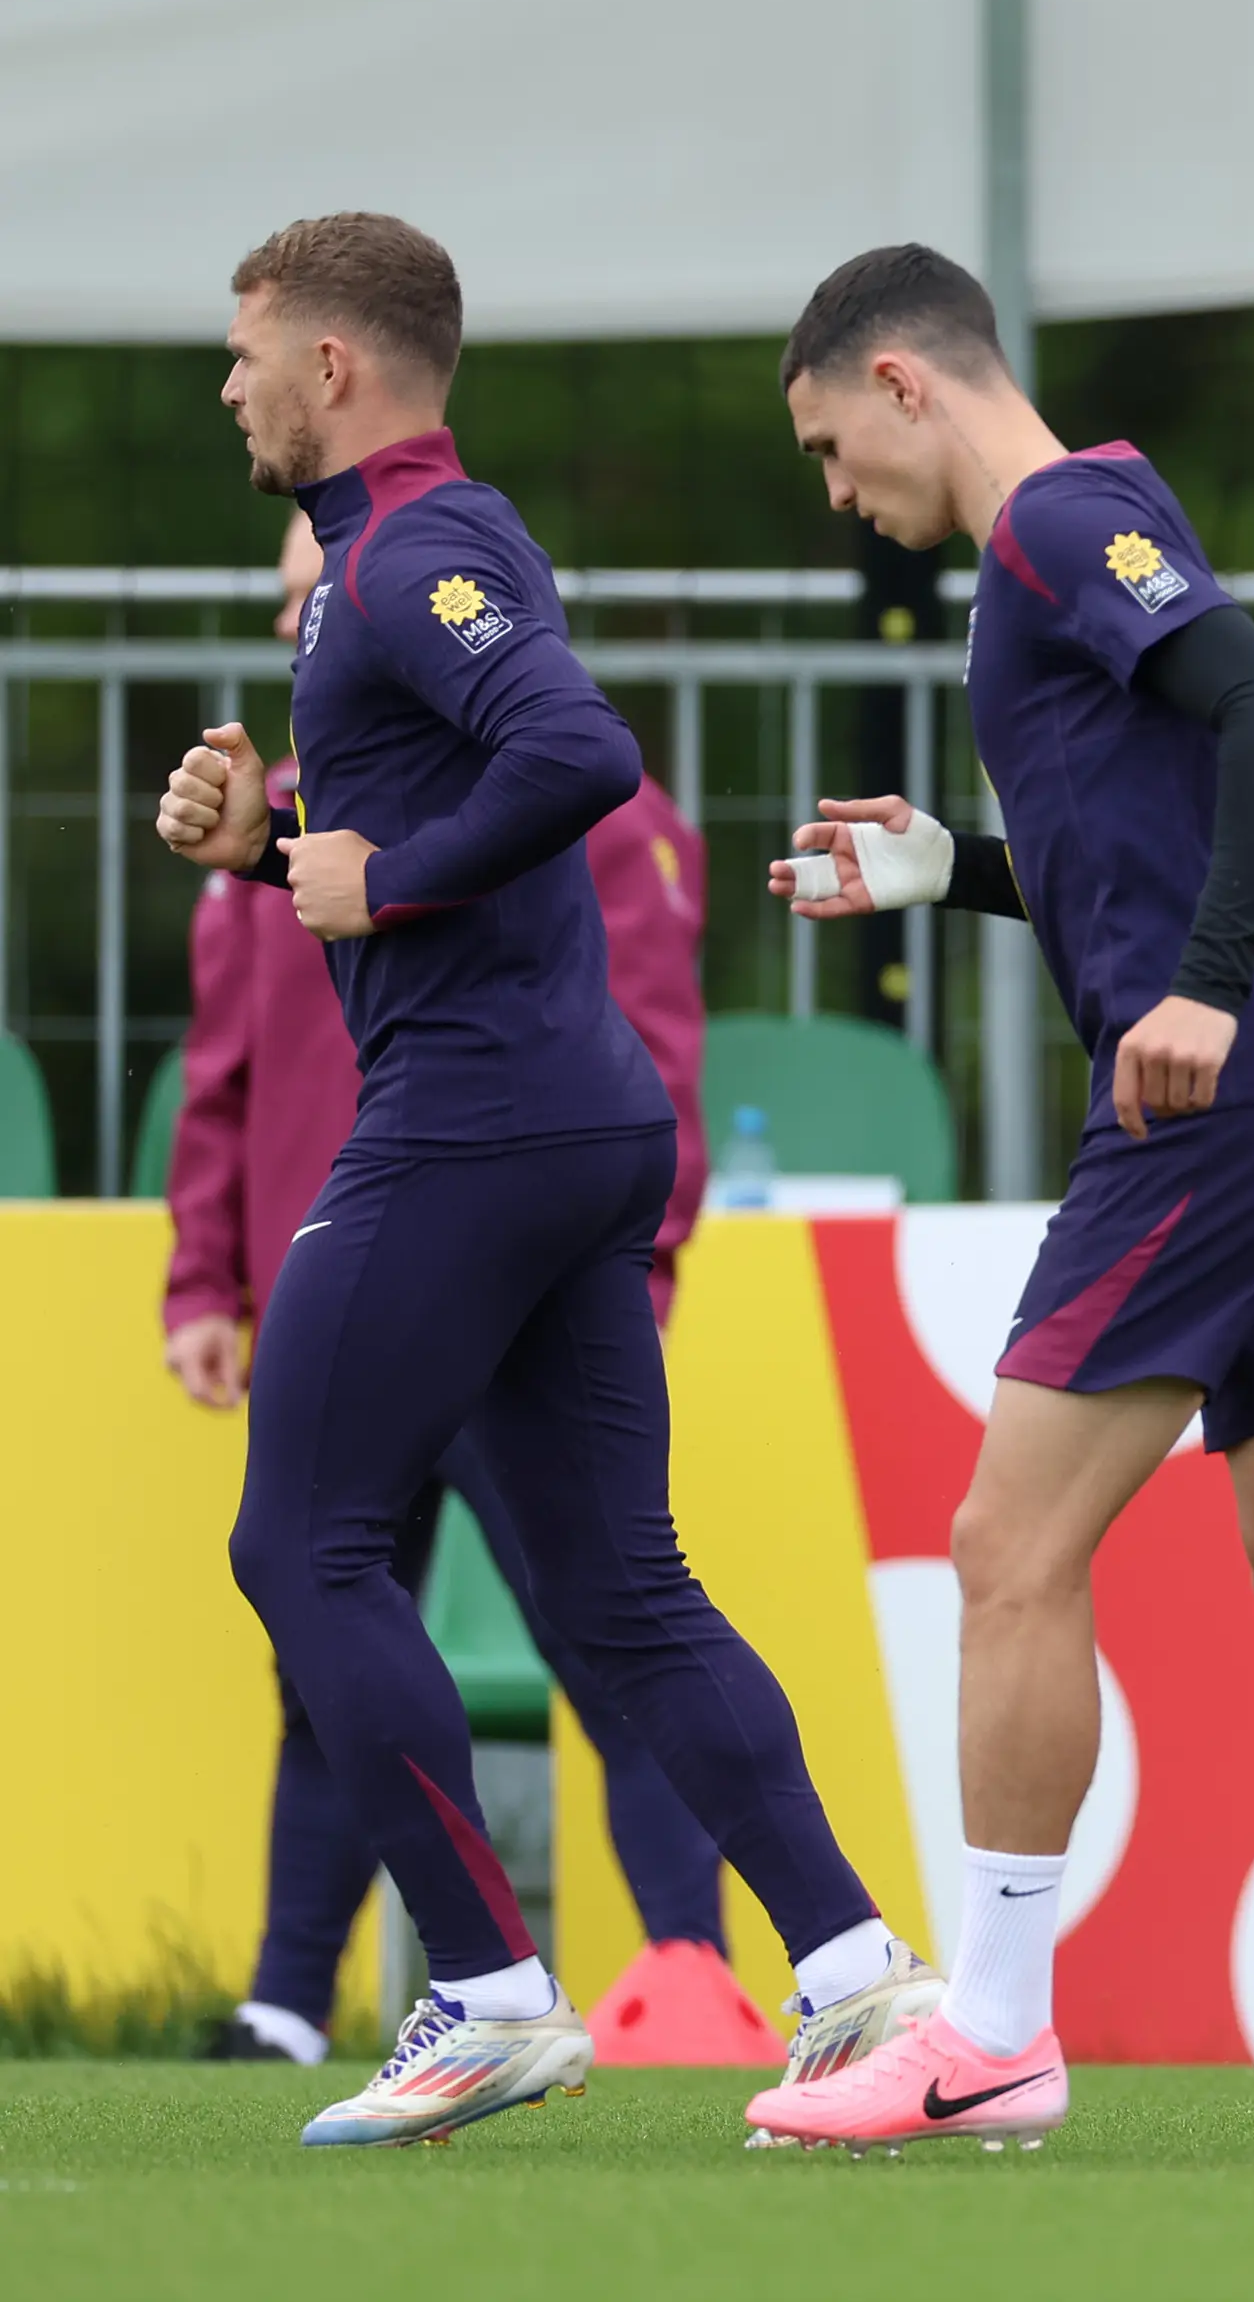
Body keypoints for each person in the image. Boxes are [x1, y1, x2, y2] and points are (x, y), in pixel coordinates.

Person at [736, 244, 1254, 2165]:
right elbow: (1158, 828)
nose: (837, 491)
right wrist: (959, 875)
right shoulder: (1091, 524)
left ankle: (996, 2033)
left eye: (829, 445)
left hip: (1229, 1088)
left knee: (1006, 1542)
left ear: (900, 378)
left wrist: (1194, 990)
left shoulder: (1055, 519)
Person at [153, 213, 930, 2148]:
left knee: (297, 1542)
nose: (227, 383)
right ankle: (856, 1975)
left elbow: (578, 751)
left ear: (335, 363)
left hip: (474, 1125)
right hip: (574, 1125)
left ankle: (490, 1987)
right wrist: (277, 846)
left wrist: (372, 868)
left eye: (246, 350)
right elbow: (447, 819)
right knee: (620, 1582)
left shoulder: (407, 551)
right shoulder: (409, 552)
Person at [172, 512, 767, 2071]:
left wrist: (643, 1249)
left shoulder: (550, 817)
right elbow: (220, 1086)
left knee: (601, 1621)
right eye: (294, 605)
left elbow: (641, 1048)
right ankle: (288, 2005)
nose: (311, 632)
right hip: (337, 1280)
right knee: (321, 1640)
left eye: (325, 604)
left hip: (499, 1278)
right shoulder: (289, 836)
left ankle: (683, 1973)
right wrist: (204, 1280)